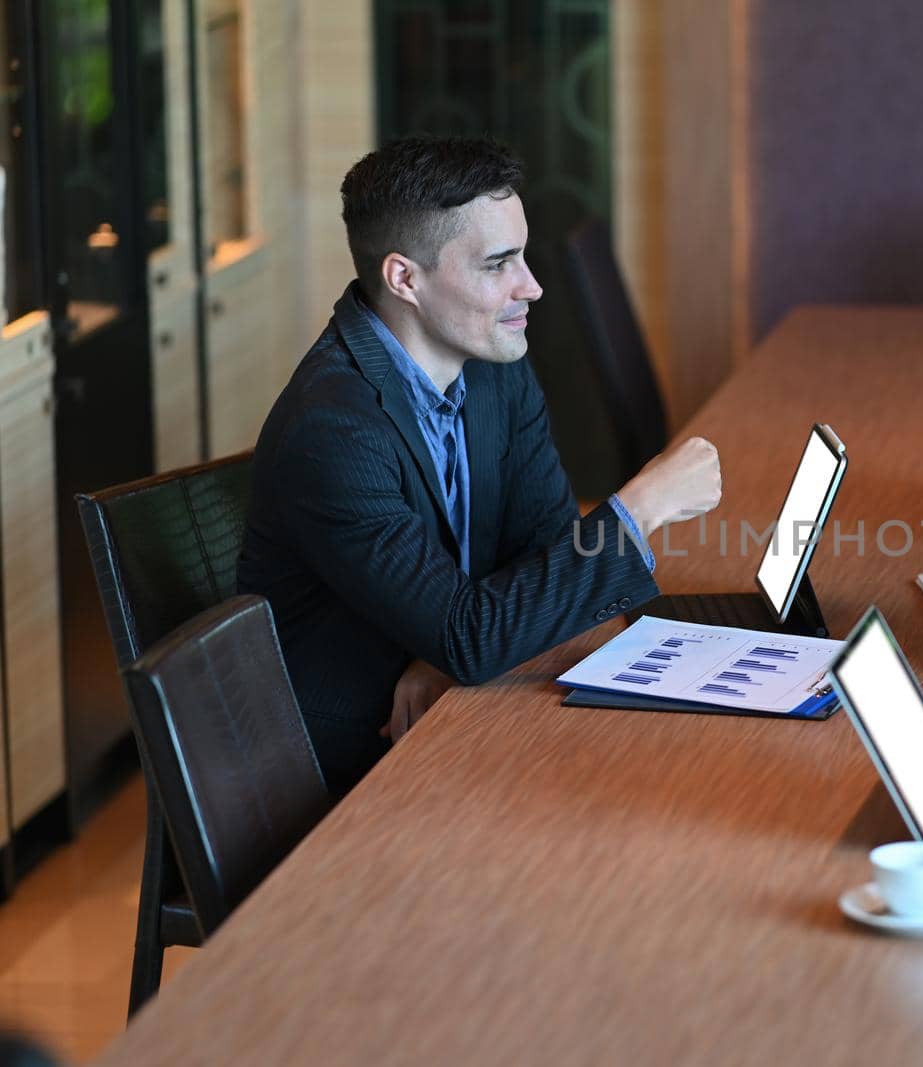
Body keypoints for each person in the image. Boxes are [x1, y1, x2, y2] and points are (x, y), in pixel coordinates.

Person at [238, 136, 721, 792]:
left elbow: (546, 552)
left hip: (460, 711)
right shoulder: (332, 430)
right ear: (404, 278)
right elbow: (477, 627)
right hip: (350, 768)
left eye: (523, 255)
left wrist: (449, 645)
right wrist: (643, 506)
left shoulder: (494, 369)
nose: (533, 286)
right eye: (500, 264)